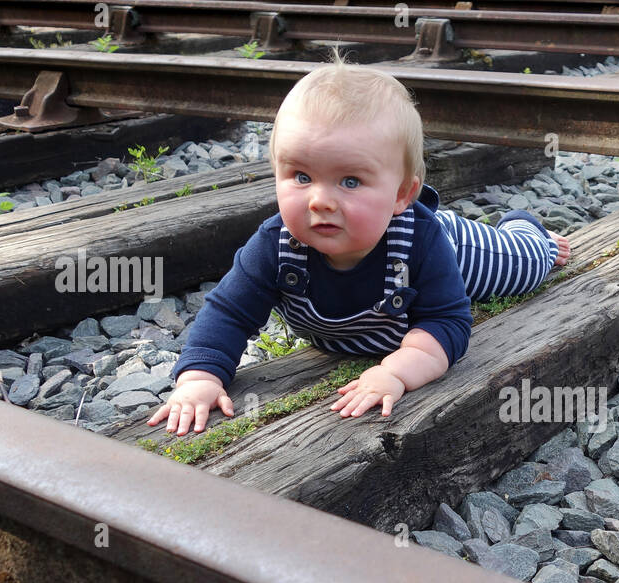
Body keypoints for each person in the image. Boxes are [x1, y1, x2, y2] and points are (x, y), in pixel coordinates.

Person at [149, 59, 571, 436]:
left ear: (403, 193)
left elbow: (448, 322)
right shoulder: (274, 246)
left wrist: (398, 371)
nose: (320, 200)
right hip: (388, 245)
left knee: (524, 267)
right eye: (300, 176)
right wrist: (200, 377)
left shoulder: (422, 241)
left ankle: (528, 230)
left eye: (350, 181)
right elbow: (228, 312)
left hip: (447, 247)